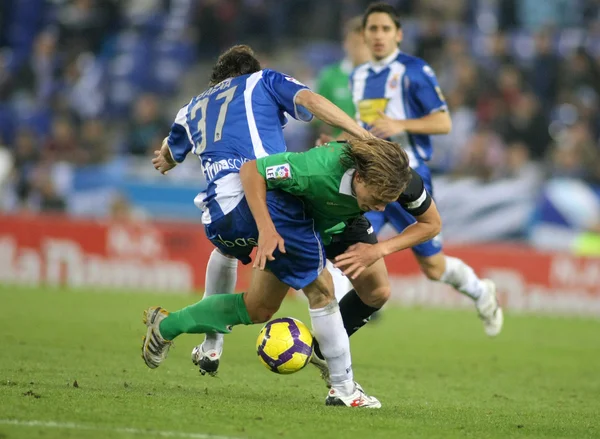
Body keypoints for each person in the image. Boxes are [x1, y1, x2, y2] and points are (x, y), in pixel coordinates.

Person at [142, 44, 382, 407]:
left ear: (217, 80)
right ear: (251, 69)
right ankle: (344, 390)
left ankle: (191, 337)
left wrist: (164, 158)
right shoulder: (262, 81)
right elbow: (312, 101)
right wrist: (361, 133)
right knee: (322, 291)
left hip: (219, 215)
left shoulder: (191, 107)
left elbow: (170, 155)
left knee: (256, 303)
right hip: (265, 198)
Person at [328, 2, 503, 338]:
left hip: (408, 178)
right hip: (370, 178)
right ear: (364, 35)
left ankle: (482, 292)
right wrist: (337, 139)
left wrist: (400, 123)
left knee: (434, 268)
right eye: (372, 29)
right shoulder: (359, 76)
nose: (378, 36)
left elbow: (443, 121)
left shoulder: (414, 71)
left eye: (385, 29)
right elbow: (366, 126)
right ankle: (333, 338)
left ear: (398, 35)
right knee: (348, 250)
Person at [240, 139, 442, 385]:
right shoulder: (313, 168)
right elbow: (252, 170)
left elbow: (432, 224)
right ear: (359, 178)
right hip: (300, 222)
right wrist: (266, 229)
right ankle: (207, 341)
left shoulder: (405, 182)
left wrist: (378, 249)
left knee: (377, 292)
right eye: (377, 199)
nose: (379, 209)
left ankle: (323, 353)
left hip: (346, 221)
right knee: (258, 308)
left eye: (387, 203)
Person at [316, 16, 371, 136]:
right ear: (346, 43)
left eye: (365, 44)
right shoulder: (330, 76)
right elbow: (321, 121)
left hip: (376, 149)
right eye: (356, 44)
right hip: (340, 150)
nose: (361, 50)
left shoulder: (386, 76)